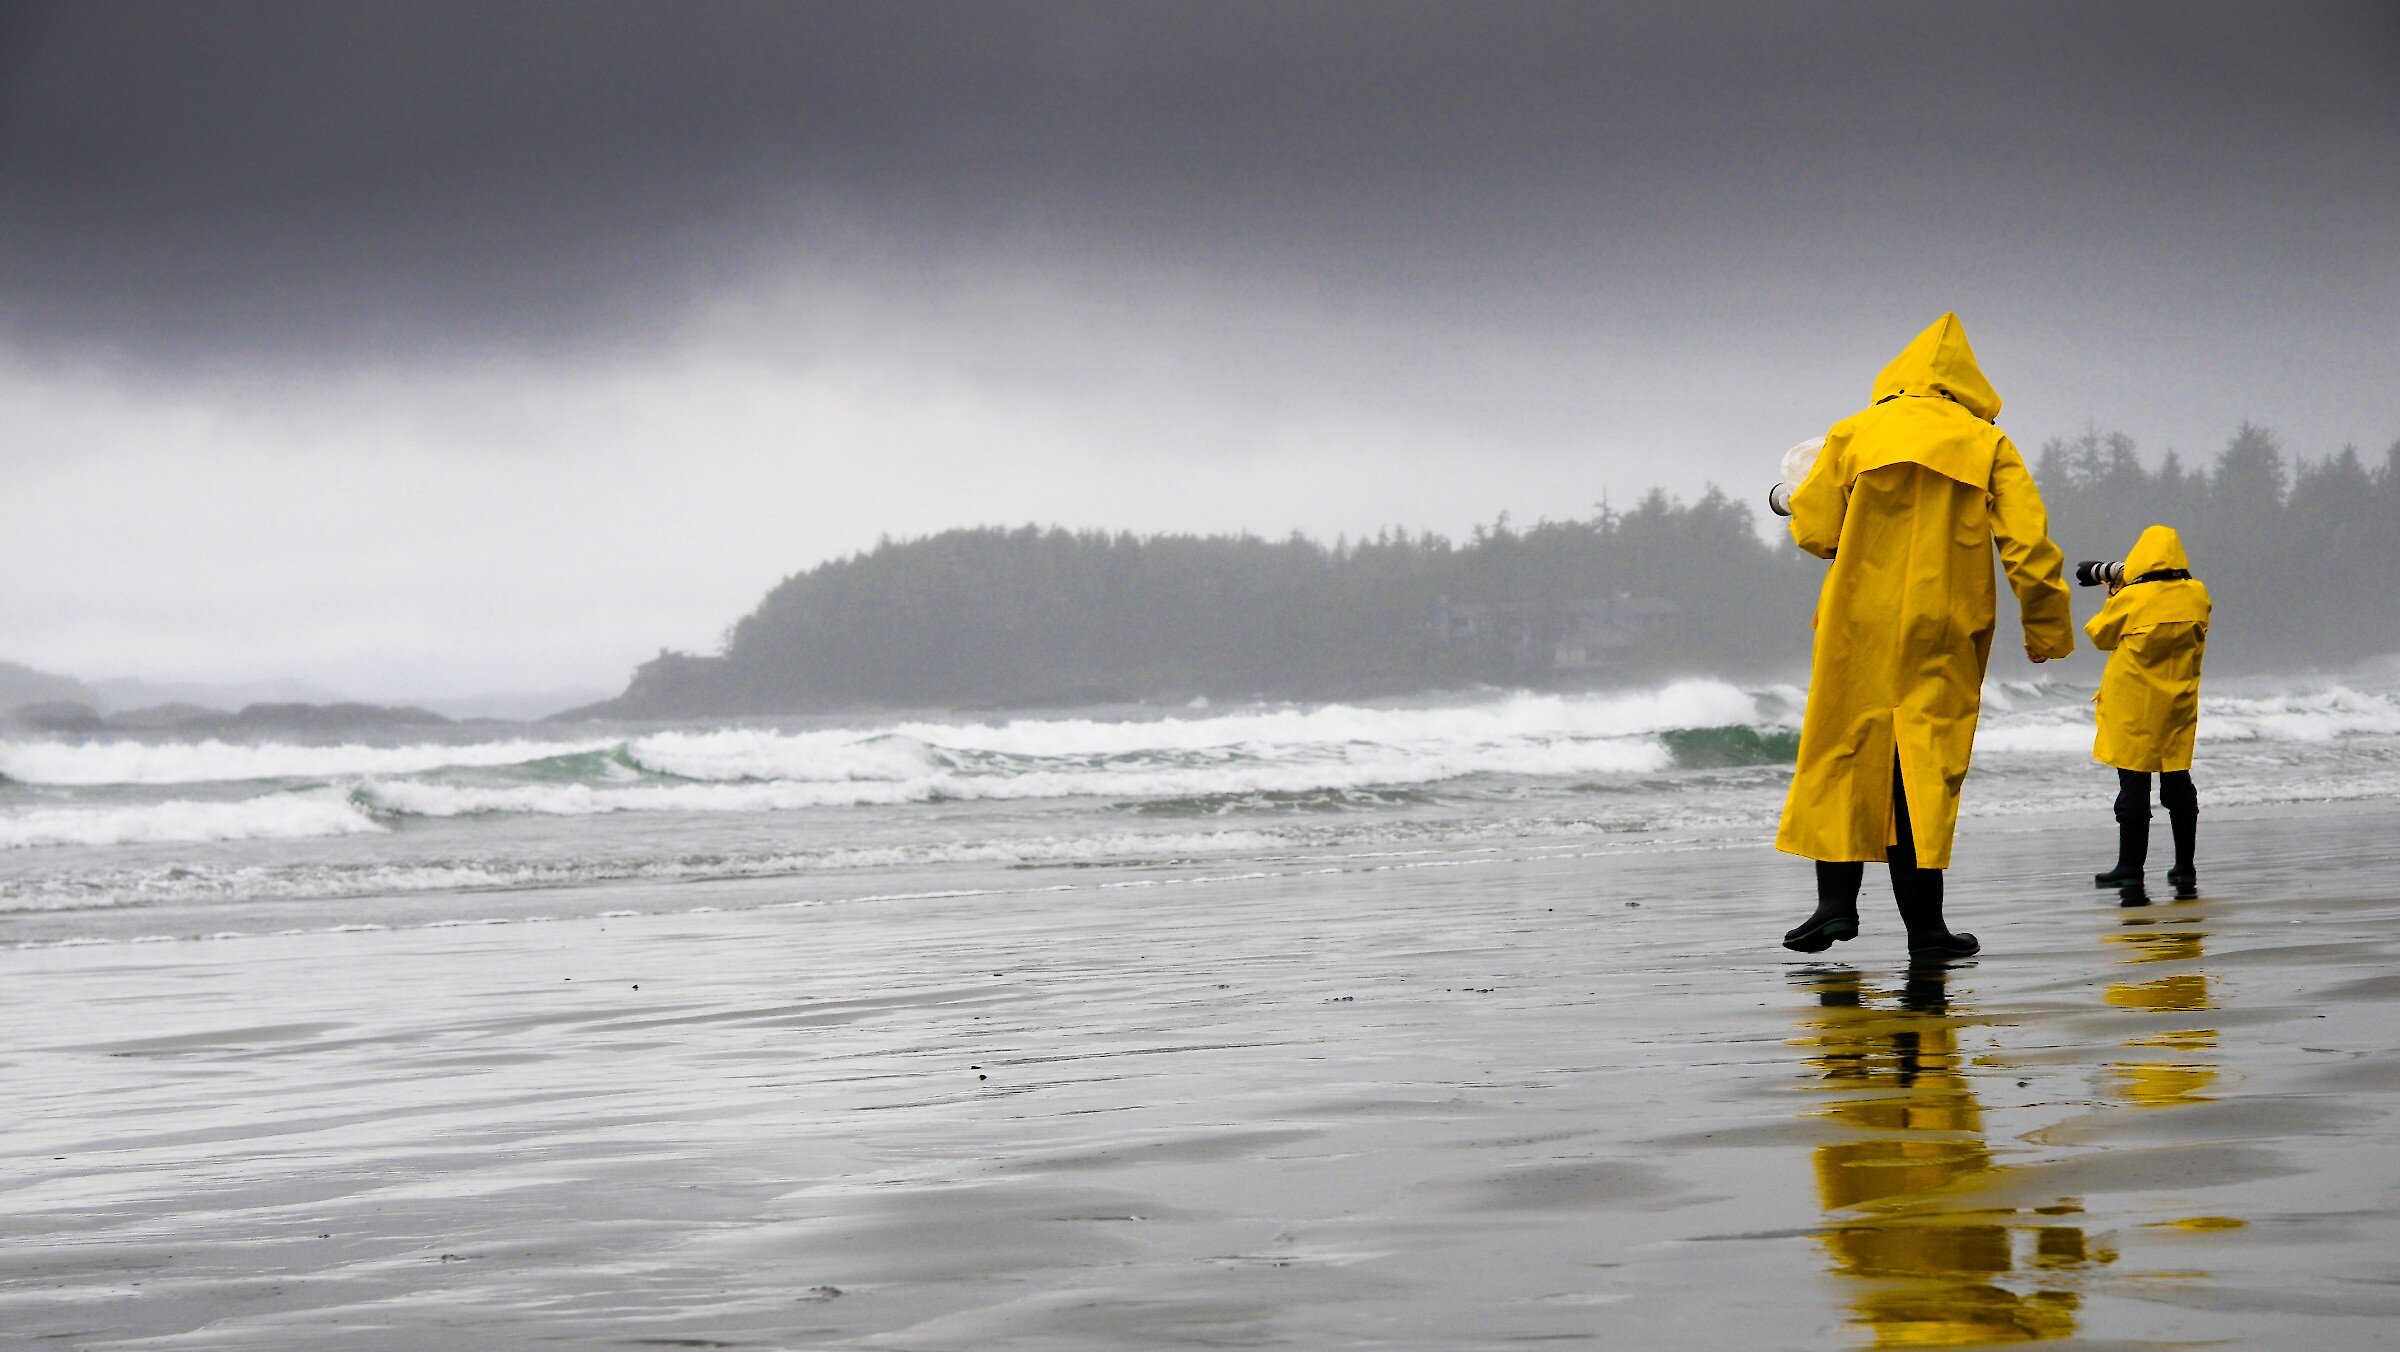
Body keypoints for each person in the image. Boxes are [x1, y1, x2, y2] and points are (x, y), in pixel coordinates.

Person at [1777, 313, 2076, 957]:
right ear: (1967, 382)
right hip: (1945, 622)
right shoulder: (1987, 443)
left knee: (1842, 746)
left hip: (1858, 621)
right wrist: (2046, 627)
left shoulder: (1854, 432)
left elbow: (1816, 533)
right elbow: (2028, 545)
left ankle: (1834, 905)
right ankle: (1927, 930)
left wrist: (1792, 498)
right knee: (1925, 762)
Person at [2086, 525, 2211, 896]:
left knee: (2134, 786)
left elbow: (2099, 635)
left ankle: (2130, 867)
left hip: (2134, 703)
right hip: (2178, 701)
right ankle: (2185, 866)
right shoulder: (2198, 594)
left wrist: (2115, 593)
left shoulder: (2133, 598)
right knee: (2177, 783)